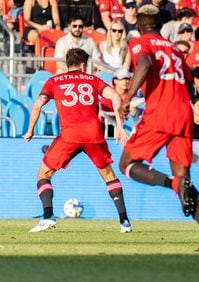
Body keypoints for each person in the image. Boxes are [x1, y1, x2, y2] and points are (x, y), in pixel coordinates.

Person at [119, 5, 199, 251]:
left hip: (160, 113)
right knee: (185, 179)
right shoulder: (175, 49)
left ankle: (172, 184)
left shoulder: (140, 42)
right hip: (183, 112)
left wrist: (128, 97)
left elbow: (143, 64)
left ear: (140, 26)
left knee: (126, 164)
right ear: (159, 25)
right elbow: (190, 87)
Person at [23, 48, 131, 233]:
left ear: (68, 64)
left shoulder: (53, 81)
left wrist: (30, 129)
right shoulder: (93, 80)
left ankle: (48, 216)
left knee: (43, 175)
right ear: (83, 65)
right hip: (93, 135)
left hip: (70, 135)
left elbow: (38, 104)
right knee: (109, 177)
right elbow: (114, 96)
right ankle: (124, 222)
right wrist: (119, 127)